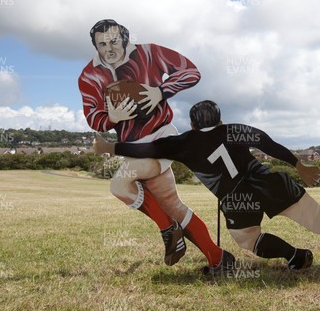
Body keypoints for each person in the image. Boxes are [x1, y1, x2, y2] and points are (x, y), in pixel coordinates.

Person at [94, 100, 320, 271]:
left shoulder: (183, 142)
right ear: (220, 119)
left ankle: (295, 255)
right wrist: (299, 165)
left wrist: (109, 145)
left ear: (193, 125)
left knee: (248, 240)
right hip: (268, 182)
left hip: (234, 198)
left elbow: (145, 151)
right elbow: (268, 144)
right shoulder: (234, 129)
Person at [78, 19, 232, 273]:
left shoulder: (149, 53)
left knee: (119, 184)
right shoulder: (89, 75)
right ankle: (219, 258)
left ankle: (167, 228)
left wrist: (161, 91)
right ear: (95, 45)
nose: (109, 48)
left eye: (114, 41)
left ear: (125, 39)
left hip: (161, 139)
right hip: (133, 148)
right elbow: (93, 117)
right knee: (174, 206)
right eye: (102, 44)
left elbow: (191, 71)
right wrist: (112, 118)